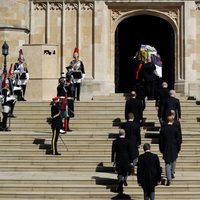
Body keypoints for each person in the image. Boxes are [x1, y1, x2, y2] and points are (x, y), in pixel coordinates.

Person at [159, 115, 181, 186]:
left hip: (166, 147)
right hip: (174, 147)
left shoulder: (163, 129)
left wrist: (161, 149)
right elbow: (178, 140)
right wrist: (178, 147)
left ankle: (169, 179)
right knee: (173, 160)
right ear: (172, 121)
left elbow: (161, 141)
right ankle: (171, 173)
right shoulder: (175, 129)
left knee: (167, 163)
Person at [111, 129, 133, 194]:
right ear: (124, 134)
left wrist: (113, 160)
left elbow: (113, 152)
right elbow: (130, 152)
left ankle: (120, 186)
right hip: (126, 158)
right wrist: (131, 161)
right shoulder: (128, 141)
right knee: (126, 171)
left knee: (120, 172)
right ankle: (125, 179)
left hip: (119, 159)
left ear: (119, 134)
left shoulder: (115, 141)